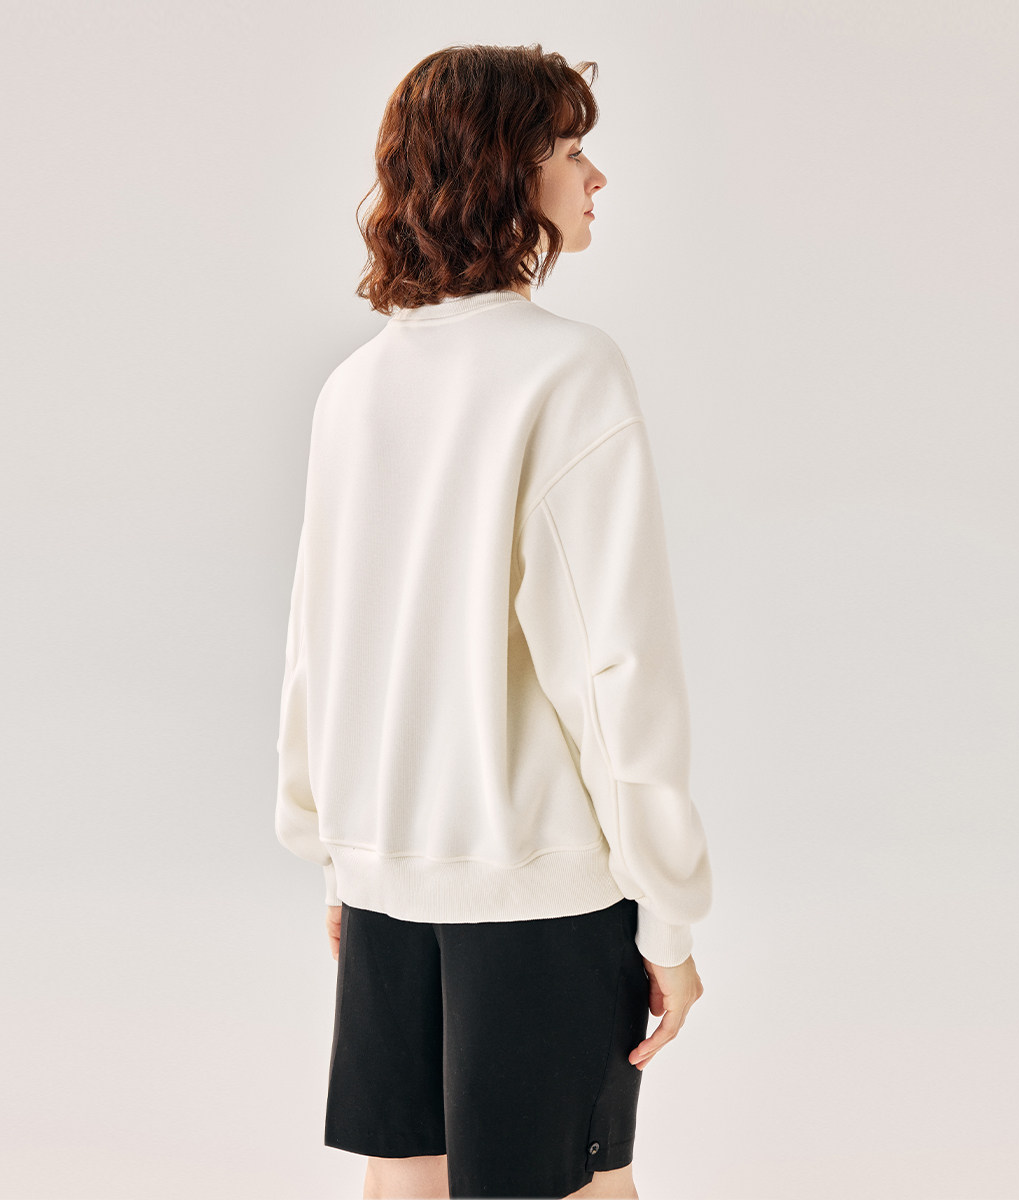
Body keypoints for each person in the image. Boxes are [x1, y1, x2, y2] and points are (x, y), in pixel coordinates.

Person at [275, 42, 712, 1200]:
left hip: (386, 876)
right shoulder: (567, 373)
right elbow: (614, 667)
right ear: (507, 172)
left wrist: (343, 853)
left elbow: (321, 643)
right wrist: (668, 916)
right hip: (536, 885)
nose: (595, 176)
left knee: (406, 1185)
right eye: (570, 150)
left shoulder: (354, 387)